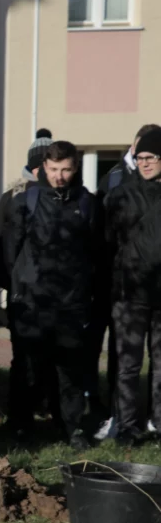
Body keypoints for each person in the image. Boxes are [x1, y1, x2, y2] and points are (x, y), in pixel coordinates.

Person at [4, 141, 101, 450]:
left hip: (72, 303)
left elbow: (98, 251)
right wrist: (16, 288)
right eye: (54, 169)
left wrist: (88, 293)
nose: (60, 176)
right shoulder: (26, 201)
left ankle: (71, 427)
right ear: (43, 168)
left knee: (71, 370)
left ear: (75, 168)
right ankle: (21, 426)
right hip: (31, 301)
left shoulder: (87, 203)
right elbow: (10, 250)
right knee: (27, 368)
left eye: (66, 169)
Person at [93, 123, 161, 439]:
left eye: (153, 157)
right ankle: (127, 425)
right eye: (142, 156)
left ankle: (159, 423)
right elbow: (104, 243)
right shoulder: (119, 196)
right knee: (128, 365)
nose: (146, 162)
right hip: (129, 293)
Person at [0, 135, 52, 434]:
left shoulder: (61, 196)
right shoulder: (13, 198)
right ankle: (20, 414)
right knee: (23, 357)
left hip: (53, 293)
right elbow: (1, 244)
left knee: (48, 354)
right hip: (22, 291)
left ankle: (42, 406)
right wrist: (10, 283)